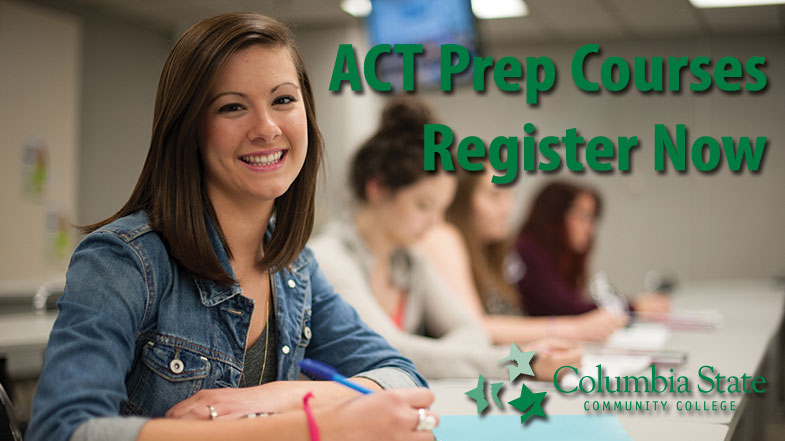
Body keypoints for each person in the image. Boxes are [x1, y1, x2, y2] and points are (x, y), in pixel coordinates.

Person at [26, 13, 438, 441]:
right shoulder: (123, 260)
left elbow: (402, 377)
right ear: (190, 130)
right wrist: (309, 426)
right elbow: (63, 430)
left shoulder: (294, 269)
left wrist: (275, 399)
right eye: (232, 107)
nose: (266, 128)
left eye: (283, 100)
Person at [310, 97, 581, 380]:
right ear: (378, 188)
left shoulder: (410, 260)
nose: (436, 222)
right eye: (423, 205)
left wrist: (432, 359)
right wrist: (520, 362)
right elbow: (387, 352)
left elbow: (471, 330)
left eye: (442, 209)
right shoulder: (328, 259)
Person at [420, 169, 628, 343]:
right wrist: (575, 330)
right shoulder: (442, 237)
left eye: (511, 195)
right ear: (460, 199)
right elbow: (474, 327)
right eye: (495, 196)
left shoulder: (493, 252)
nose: (508, 208)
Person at [515, 181, 670, 317]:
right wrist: (633, 306)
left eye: (592, 218)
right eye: (583, 216)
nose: (591, 229)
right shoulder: (528, 252)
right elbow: (567, 308)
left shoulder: (556, 258)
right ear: (554, 216)